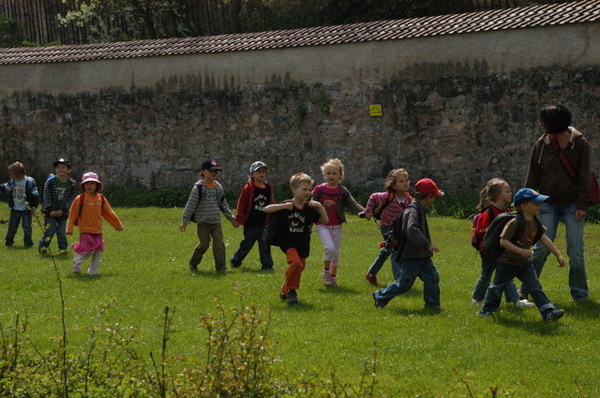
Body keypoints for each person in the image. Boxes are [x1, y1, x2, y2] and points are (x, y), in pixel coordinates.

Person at [522, 103, 591, 302]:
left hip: (573, 203)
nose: (542, 125)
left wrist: (582, 204)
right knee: (541, 248)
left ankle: (580, 294)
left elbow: (585, 174)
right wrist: (528, 201)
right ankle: (527, 290)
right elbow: (533, 175)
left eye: (545, 121)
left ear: (554, 123)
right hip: (546, 203)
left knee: (576, 251)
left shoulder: (580, 143)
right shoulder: (541, 144)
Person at [479, 188, 566, 322]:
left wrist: (558, 254)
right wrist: (521, 251)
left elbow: (545, 239)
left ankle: (548, 312)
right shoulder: (514, 222)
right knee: (497, 288)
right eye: (536, 203)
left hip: (524, 263)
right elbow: (503, 241)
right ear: (524, 206)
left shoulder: (535, 222)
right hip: (506, 263)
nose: (540, 206)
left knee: (535, 287)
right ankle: (487, 310)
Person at [372, 178, 443, 310]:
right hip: (412, 256)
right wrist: (426, 244)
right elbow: (411, 229)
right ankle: (380, 296)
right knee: (404, 284)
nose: (434, 200)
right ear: (429, 197)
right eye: (434, 197)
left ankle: (432, 305)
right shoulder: (412, 211)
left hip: (422, 255)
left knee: (432, 277)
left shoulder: (418, 208)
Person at [264, 172, 328, 305]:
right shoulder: (287, 205)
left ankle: (284, 291)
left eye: (309, 189)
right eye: (304, 189)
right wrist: (284, 206)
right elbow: (267, 209)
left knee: (300, 266)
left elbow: (325, 220)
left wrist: (320, 206)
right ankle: (292, 292)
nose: (308, 192)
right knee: (296, 264)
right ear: (294, 190)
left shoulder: (309, 209)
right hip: (287, 242)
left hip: (302, 242)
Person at [471, 178, 534, 307]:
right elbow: (482, 232)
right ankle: (477, 299)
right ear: (498, 195)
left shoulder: (508, 212)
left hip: (503, 251)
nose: (511, 193)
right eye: (508, 191)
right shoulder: (488, 213)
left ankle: (515, 300)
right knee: (486, 276)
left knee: (506, 276)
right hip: (489, 252)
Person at [312, 158, 364, 286]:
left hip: (336, 226)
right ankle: (326, 272)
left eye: (334, 173)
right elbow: (311, 204)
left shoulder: (342, 191)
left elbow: (352, 204)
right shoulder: (319, 189)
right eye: (328, 173)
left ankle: (332, 278)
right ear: (324, 174)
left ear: (340, 175)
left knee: (335, 253)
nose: (331, 176)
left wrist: (363, 212)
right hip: (322, 224)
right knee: (329, 248)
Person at [180, 160, 239, 273]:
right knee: (204, 245)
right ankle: (193, 263)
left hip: (216, 222)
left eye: (216, 171)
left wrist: (232, 219)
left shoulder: (218, 187)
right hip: (203, 223)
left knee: (219, 245)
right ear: (203, 172)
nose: (214, 173)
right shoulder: (198, 188)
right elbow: (190, 205)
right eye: (211, 171)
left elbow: (224, 205)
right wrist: (184, 221)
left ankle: (221, 268)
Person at [66, 172, 123, 275]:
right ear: (83, 186)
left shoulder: (100, 198)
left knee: (97, 251)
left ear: (97, 185)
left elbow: (109, 213)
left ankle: (93, 271)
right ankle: (77, 262)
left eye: (92, 183)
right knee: (89, 250)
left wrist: (117, 225)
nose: (89, 186)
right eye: (87, 184)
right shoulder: (80, 199)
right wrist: (69, 228)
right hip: (85, 229)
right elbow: (72, 214)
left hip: (98, 230)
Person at [363, 168, 412, 286]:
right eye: (401, 181)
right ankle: (398, 281)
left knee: (387, 251)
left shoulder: (408, 199)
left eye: (406, 180)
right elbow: (373, 197)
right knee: (395, 250)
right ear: (394, 186)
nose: (405, 183)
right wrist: (368, 211)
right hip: (387, 227)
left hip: (399, 229)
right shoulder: (387, 196)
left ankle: (371, 273)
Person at [230, 161, 275, 270]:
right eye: (258, 171)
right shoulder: (249, 188)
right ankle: (236, 260)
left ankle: (267, 265)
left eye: (264, 172)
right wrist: (239, 218)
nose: (262, 174)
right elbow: (242, 204)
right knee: (247, 244)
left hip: (264, 223)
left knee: (265, 244)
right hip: (251, 223)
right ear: (252, 174)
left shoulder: (268, 188)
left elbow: (271, 202)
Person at [38, 158, 78, 255]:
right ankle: (43, 246)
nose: (60, 169)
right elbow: (46, 196)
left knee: (62, 232)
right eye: (58, 167)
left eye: (63, 167)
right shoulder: (50, 182)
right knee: (50, 230)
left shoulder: (72, 183)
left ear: (69, 170)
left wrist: (63, 210)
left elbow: (71, 198)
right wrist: (50, 209)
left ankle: (62, 249)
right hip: (50, 212)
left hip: (63, 213)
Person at [0, 161, 39, 248]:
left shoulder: (29, 181)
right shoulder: (12, 181)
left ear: (18, 174)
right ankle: (9, 242)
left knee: (27, 227)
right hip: (15, 208)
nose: (10, 176)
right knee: (12, 226)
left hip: (26, 209)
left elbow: (35, 195)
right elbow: (5, 188)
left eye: (12, 174)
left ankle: (28, 243)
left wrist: (33, 207)